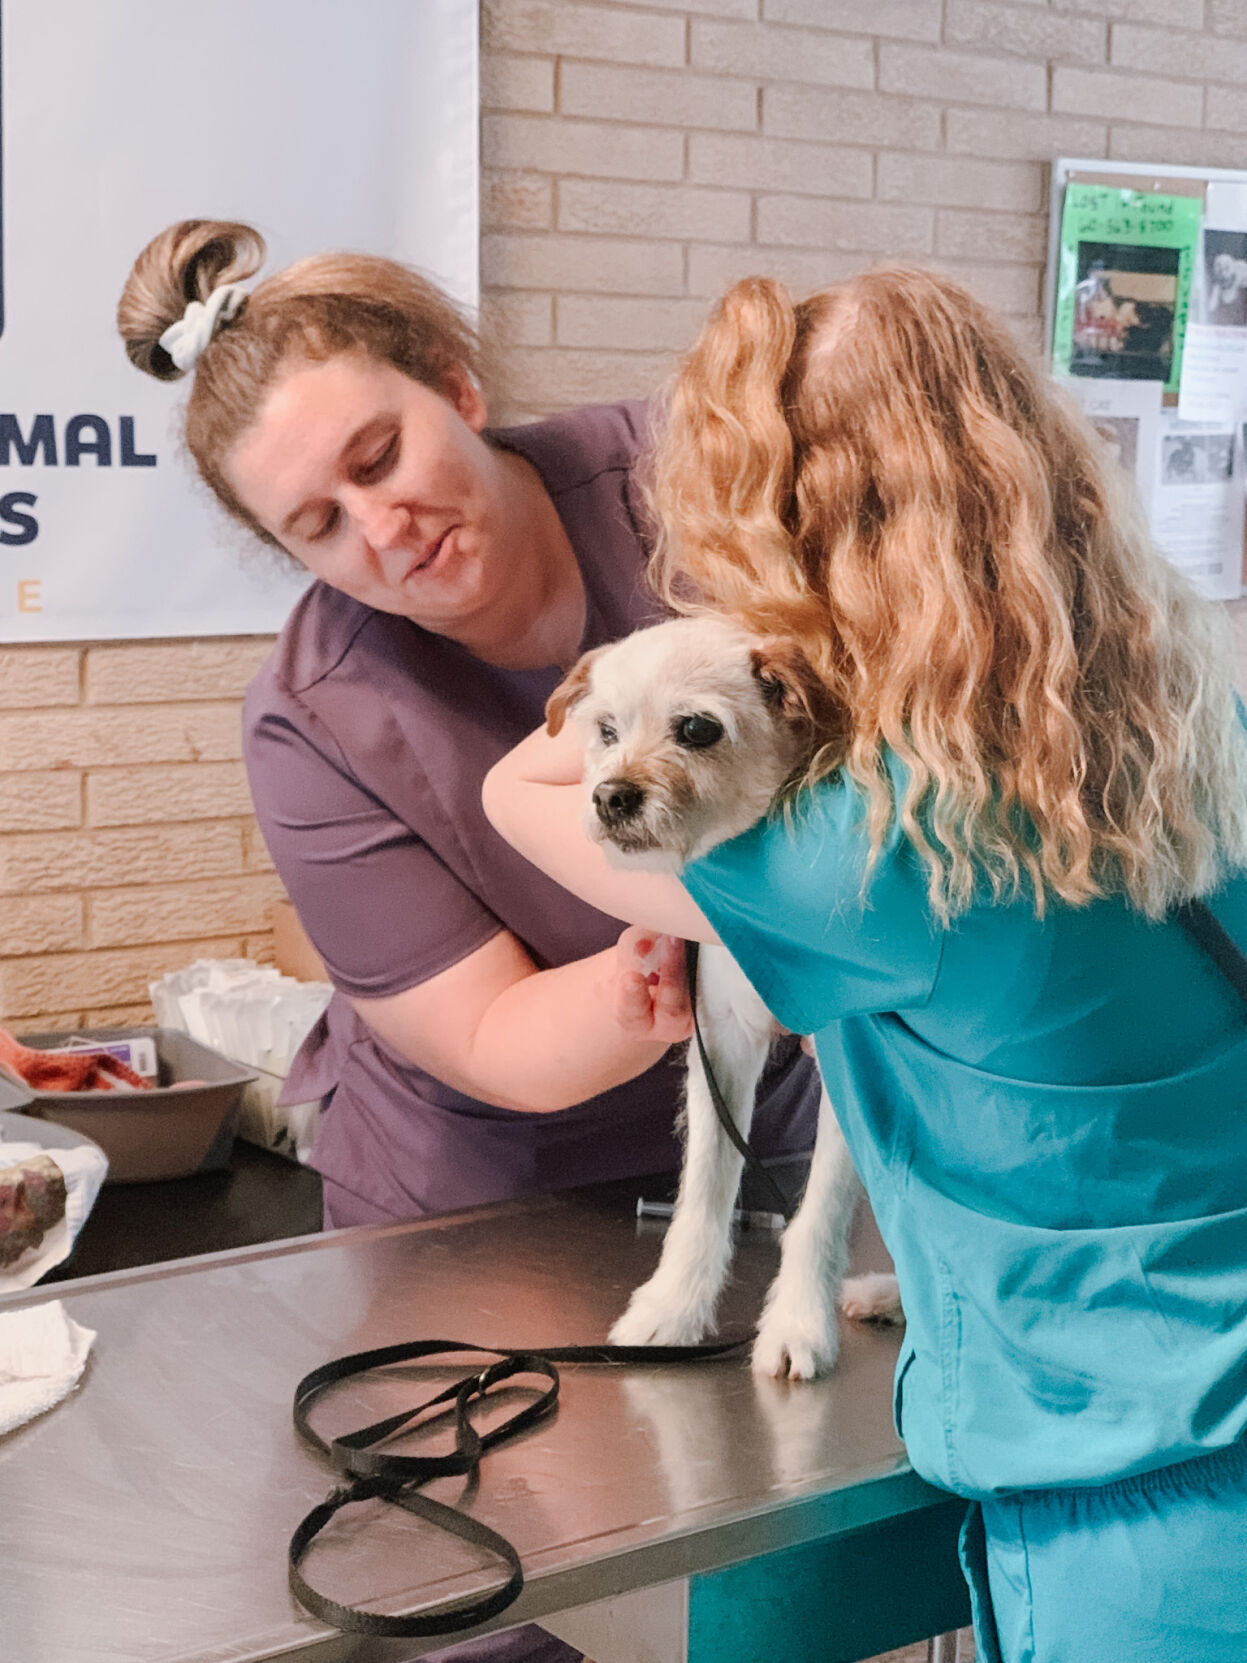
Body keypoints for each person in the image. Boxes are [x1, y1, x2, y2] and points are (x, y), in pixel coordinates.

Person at [483, 268, 1247, 1663]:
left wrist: (664, 672)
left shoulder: (889, 848)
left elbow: (521, 794)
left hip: (1144, 1497)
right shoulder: (1199, 711)